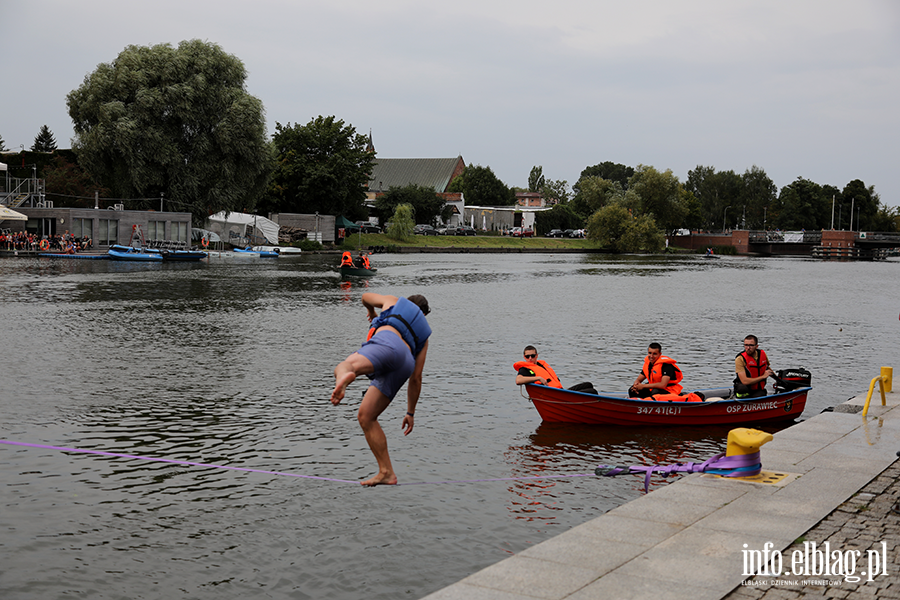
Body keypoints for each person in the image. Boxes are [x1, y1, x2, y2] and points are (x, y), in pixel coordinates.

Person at [330, 292, 431, 486]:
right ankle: (387, 472)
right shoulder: (424, 336)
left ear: (407, 303)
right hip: (406, 362)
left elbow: (364, 296)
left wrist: (372, 312)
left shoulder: (394, 301)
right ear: (423, 315)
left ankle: (345, 375)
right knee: (367, 417)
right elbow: (416, 378)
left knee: (346, 366)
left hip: (388, 342)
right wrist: (410, 412)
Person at [514, 345, 596, 393]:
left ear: (537, 356)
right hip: (554, 395)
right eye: (527, 356)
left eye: (533, 356)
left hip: (562, 392)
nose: (530, 358)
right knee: (592, 392)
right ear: (524, 357)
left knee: (588, 385)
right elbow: (518, 380)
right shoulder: (525, 369)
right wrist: (538, 378)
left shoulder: (542, 365)